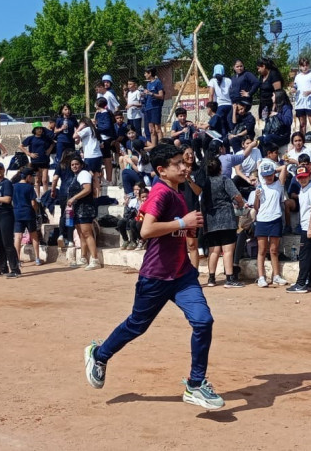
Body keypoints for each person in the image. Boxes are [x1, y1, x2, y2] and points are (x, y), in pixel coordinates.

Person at [83, 143, 224, 410]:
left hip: (182, 275)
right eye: (177, 164)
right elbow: (146, 230)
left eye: (184, 162)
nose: (184, 167)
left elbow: (176, 232)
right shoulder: (160, 193)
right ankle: (99, 355)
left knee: (203, 322)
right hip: (156, 276)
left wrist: (189, 229)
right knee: (137, 325)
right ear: (161, 170)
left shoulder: (178, 192)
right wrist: (183, 223)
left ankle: (195, 385)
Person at [203, 154, 245, 288]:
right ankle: (229, 278)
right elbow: (236, 195)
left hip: (211, 218)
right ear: (220, 168)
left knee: (213, 250)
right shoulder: (224, 179)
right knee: (227, 250)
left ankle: (211, 278)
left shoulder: (205, 182)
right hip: (226, 217)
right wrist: (240, 203)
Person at [287, 166, 311, 294]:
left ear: (309, 176)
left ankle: (301, 283)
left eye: (305, 177)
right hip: (309, 227)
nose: (303, 179)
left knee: (304, 256)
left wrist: (310, 228)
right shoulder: (303, 191)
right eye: (300, 178)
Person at [250, 160, 288, 288]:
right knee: (262, 250)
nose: (269, 177)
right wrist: (256, 196)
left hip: (275, 219)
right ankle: (261, 277)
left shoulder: (279, 184)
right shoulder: (260, 187)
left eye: (270, 174)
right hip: (262, 220)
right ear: (263, 176)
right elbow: (256, 207)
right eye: (266, 175)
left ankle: (276, 276)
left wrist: (271, 169)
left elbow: (283, 168)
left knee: (274, 250)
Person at [67, 158, 101, 271]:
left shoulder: (84, 174)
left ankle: (95, 259)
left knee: (87, 233)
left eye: (76, 164)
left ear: (81, 165)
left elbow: (87, 189)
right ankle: (83, 258)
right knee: (81, 234)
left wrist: (74, 198)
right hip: (76, 209)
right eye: (72, 164)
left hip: (85, 208)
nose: (74, 166)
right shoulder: (75, 176)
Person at [11, 168, 42, 267]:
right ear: (28, 177)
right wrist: (37, 211)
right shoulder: (29, 187)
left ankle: (17, 260)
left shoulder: (13, 186)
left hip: (17, 213)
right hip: (28, 213)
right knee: (34, 235)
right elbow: (33, 203)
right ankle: (37, 258)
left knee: (18, 237)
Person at [22, 123, 54, 197]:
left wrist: (49, 150)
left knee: (45, 180)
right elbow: (21, 146)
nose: (39, 130)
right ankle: (38, 196)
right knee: (37, 180)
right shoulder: (31, 138)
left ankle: (46, 197)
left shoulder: (45, 138)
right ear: (34, 130)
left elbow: (53, 143)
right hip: (35, 161)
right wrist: (29, 154)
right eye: (37, 129)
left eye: (40, 128)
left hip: (45, 160)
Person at [291, 57, 311, 135]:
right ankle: (302, 140)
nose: (305, 67)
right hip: (300, 103)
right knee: (302, 124)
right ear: (300, 67)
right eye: (303, 65)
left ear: (309, 65)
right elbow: (295, 86)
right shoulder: (297, 76)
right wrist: (293, 89)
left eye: (306, 65)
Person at [94, 98, 117, 183]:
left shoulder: (106, 113)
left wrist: (97, 129)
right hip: (99, 138)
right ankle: (100, 178)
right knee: (100, 159)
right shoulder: (98, 114)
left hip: (106, 139)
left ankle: (109, 179)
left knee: (107, 159)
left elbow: (107, 126)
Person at [118, 183, 145, 250]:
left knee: (132, 222)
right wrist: (126, 205)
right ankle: (126, 240)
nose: (136, 191)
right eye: (134, 189)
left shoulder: (144, 199)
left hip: (140, 218)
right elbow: (127, 213)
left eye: (137, 189)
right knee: (121, 222)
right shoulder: (133, 200)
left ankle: (134, 241)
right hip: (132, 217)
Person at [142, 67, 165, 142]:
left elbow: (161, 96)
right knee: (152, 129)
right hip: (148, 108)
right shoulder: (148, 84)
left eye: (146, 73)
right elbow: (147, 95)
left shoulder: (157, 82)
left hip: (155, 107)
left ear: (150, 73)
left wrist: (151, 93)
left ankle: (162, 146)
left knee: (157, 128)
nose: (144, 74)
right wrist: (144, 95)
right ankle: (154, 147)